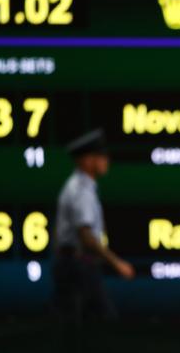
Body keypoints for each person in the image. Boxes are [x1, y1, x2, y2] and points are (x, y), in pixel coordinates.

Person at [52, 129, 135, 323]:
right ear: (86, 160)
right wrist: (117, 263)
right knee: (102, 323)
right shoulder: (81, 191)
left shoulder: (81, 186)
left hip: (75, 266)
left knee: (77, 329)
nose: (105, 161)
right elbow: (86, 236)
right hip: (77, 268)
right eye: (100, 157)